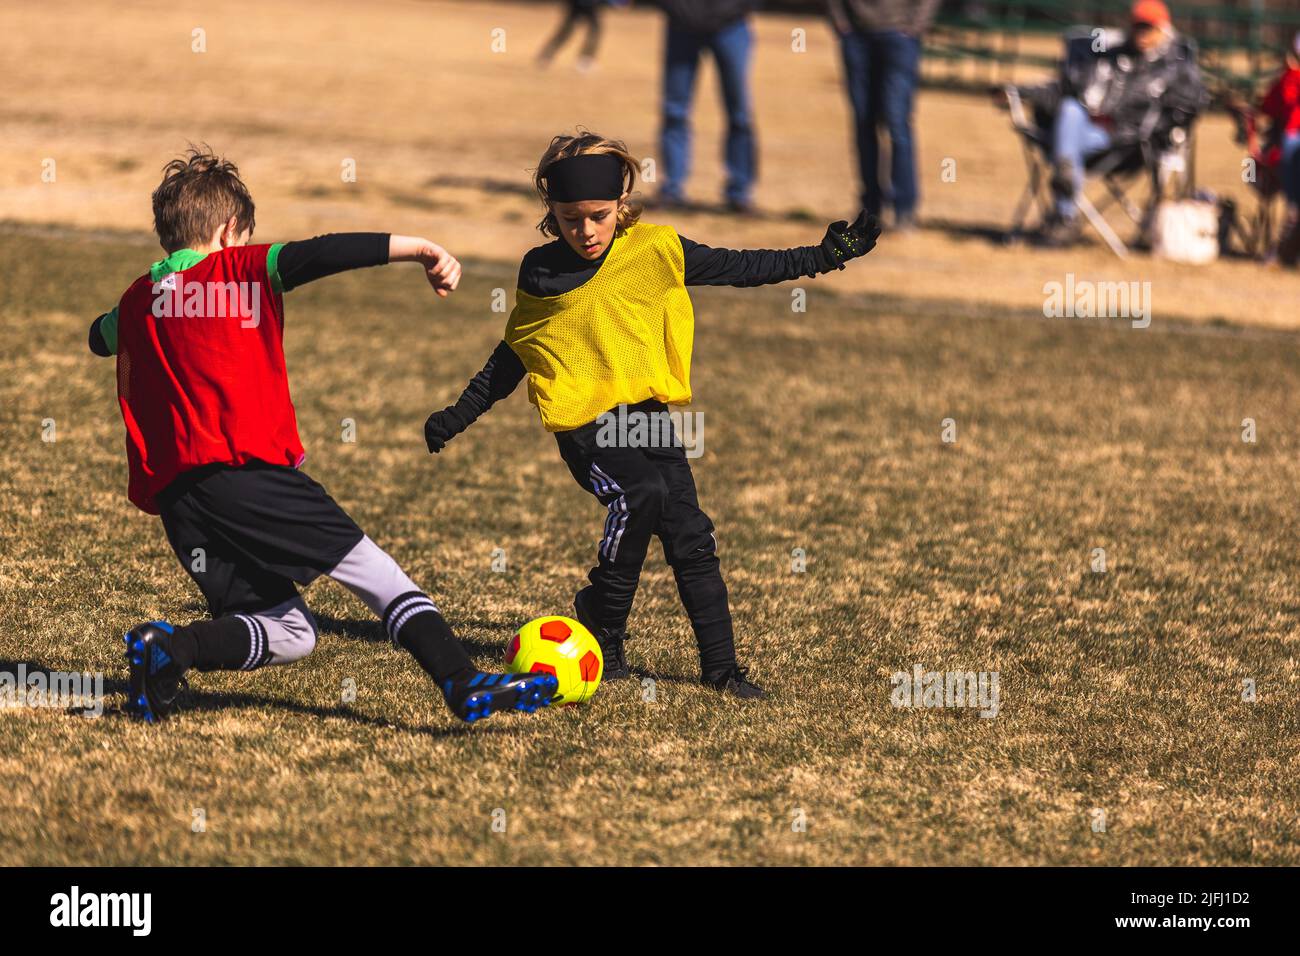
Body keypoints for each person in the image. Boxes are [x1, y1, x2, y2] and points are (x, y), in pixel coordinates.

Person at [88, 148, 559, 724]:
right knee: (373, 572)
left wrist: (143, 308)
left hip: (182, 503)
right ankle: (462, 681)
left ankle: (170, 649)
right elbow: (325, 252)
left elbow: (98, 336)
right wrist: (419, 248)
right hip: (248, 475)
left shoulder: (138, 300)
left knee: (291, 631)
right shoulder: (242, 269)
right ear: (231, 229)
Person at [422, 131, 881, 698]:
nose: (584, 231)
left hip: (646, 415)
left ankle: (722, 671)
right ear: (552, 213)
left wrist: (825, 256)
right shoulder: (539, 272)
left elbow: (743, 266)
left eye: (598, 215)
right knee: (638, 493)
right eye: (569, 218)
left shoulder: (656, 250)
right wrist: (458, 414)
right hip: (585, 422)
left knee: (690, 535)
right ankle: (604, 625)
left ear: (621, 204)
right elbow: (517, 350)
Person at [1008, 0, 1206, 247]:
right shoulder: (1109, 56)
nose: (1142, 33)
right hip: (1085, 131)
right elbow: (1065, 86)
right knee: (1070, 109)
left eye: (1148, 27)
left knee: (1066, 142)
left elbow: (1192, 105)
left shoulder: (1176, 68)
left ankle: (1064, 211)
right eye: (1137, 26)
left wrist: (1159, 130)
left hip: (1127, 142)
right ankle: (1065, 184)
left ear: (1163, 29)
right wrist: (1020, 92)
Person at [827, 0, 941, 230]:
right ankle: (870, 207)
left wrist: (916, 25)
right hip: (857, 36)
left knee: (897, 123)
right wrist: (840, 22)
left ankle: (904, 209)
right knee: (863, 123)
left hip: (899, 36)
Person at [652, 0, 761, 212]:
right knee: (674, 111)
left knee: (739, 114)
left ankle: (739, 194)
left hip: (732, 25)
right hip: (681, 27)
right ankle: (672, 189)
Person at [1259, 31, 1300, 264]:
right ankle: (1294, 217)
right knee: (1292, 147)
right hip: (1285, 150)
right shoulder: (1289, 79)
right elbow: (1268, 108)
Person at [537, 0, 606, 72]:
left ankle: (586, 60)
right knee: (567, 31)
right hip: (577, 4)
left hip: (591, 6)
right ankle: (546, 56)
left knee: (594, 31)